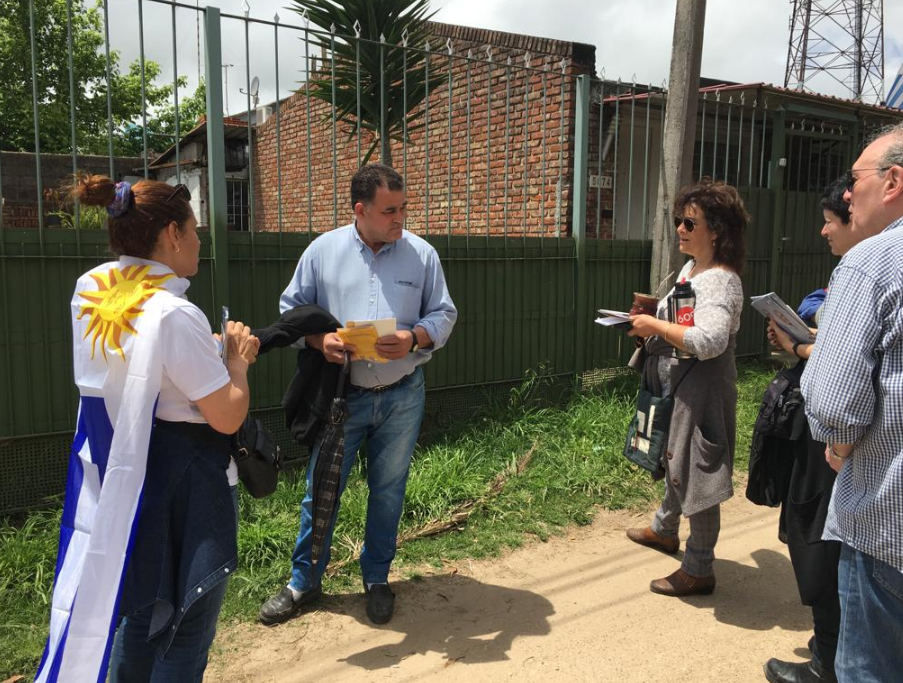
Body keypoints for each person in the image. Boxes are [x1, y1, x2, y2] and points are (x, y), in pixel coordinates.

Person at [35, 175, 259, 683]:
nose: (200, 241)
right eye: (195, 230)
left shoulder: (92, 291)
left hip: (126, 476)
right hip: (187, 483)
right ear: (172, 235)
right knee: (185, 624)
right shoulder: (174, 313)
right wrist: (236, 361)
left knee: (139, 608)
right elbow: (226, 414)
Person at [259, 163, 457, 626]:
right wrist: (318, 342)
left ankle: (376, 578)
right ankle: (303, 582)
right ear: (360, 210)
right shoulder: (322, 252)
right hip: (341, 398)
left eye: (404, 208)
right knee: (321, 490)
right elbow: (291, 314)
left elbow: (444, 315)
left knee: (388, 491)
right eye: (390, 210)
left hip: (403, 394)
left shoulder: (422, 255)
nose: (400, 218)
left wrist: (415, 339)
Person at [800, 123, 903, 683]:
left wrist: (840, 439)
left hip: (889, 526)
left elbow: (835, 405)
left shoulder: (875, 262)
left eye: (855, 181)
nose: (845, 194)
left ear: (893, 182)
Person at [625, 178, 747, 597]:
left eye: (690, 223)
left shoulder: (721, 281)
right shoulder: (692, 269)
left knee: (699, 472)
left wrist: (654, 325)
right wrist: (647, 327)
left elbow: (708, 341)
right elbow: (684, 325)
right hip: (681, 381)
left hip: (703, 388)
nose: (680, 228)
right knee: (676, 457)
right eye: (679, 220)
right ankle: (664, 529)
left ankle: (699, 568)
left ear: (716, 230)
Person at [762, 176, 862, 683]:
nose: (824, 230)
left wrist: (800, 347)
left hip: (834, 447)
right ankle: (835, 643)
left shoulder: (867, 270)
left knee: (821, 542)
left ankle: (828, 662)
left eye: (830, 220)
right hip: (837, 445)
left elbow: (845, 364)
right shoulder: (852, 274)